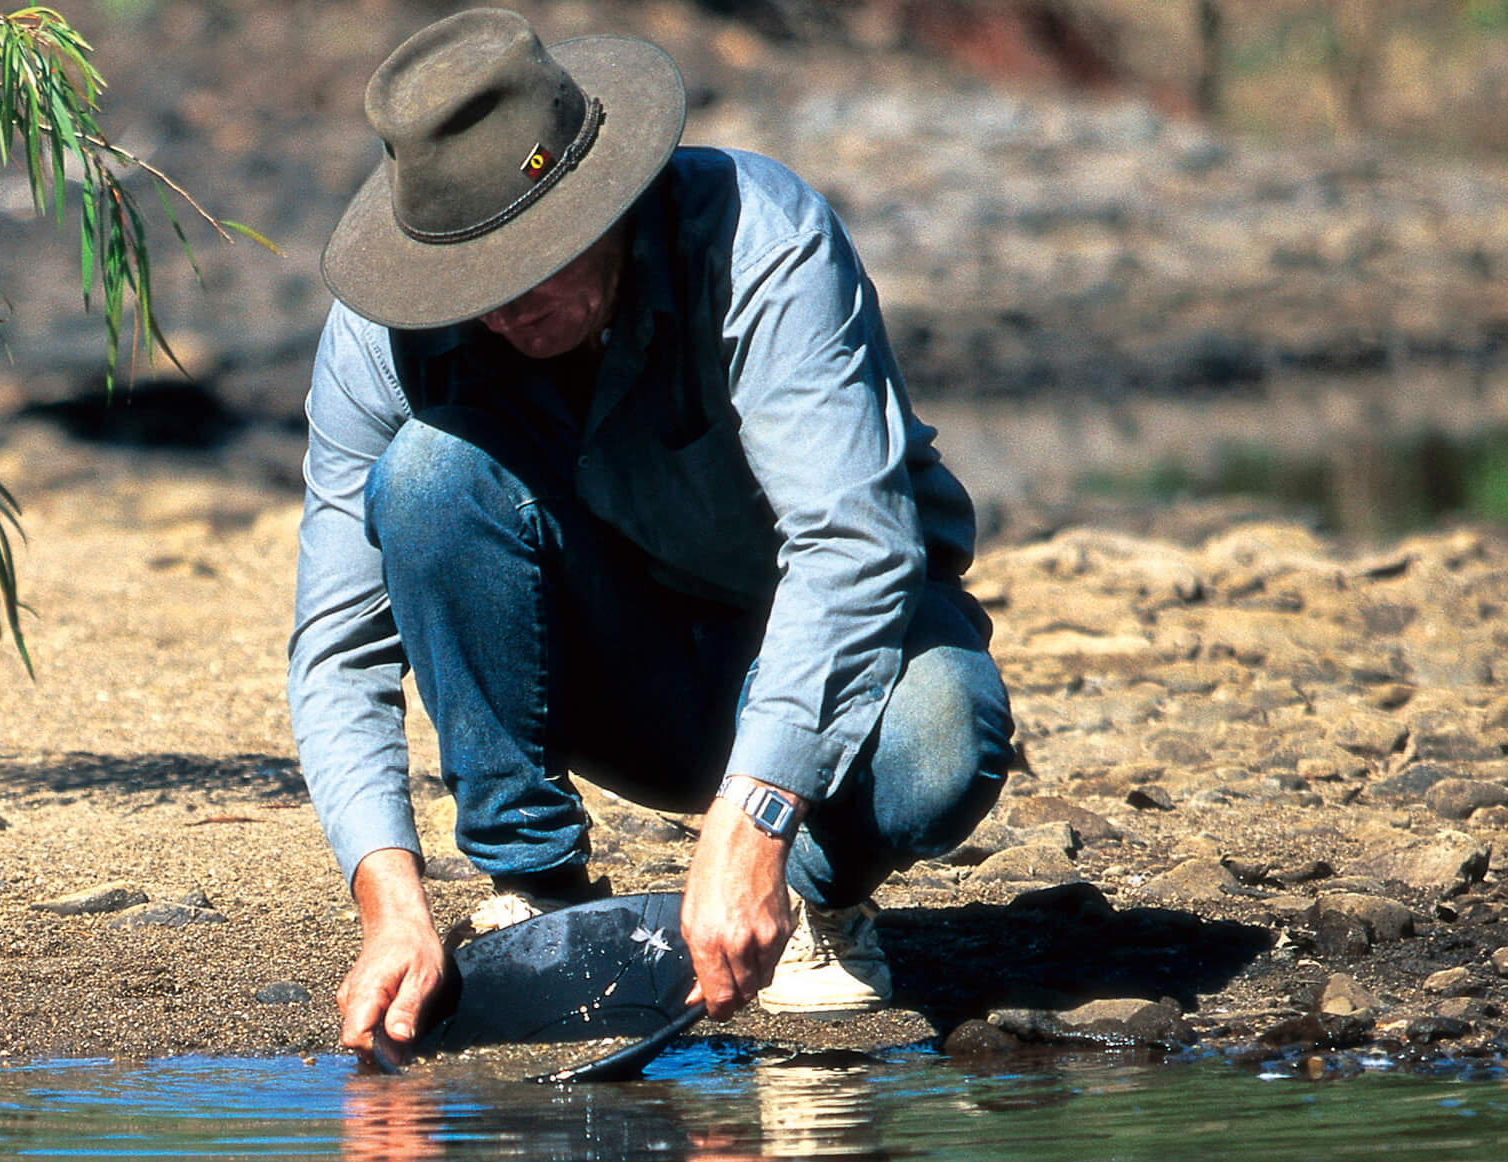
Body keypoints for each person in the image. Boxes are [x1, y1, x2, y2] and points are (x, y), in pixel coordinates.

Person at [291, 9, 1016, 1061]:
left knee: (947, 735)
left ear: (609, 207)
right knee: (428, 471)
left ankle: (815, 892)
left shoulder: (763, 236)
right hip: (609, 673)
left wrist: (758, 816)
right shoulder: (380, 333)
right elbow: (334, 643)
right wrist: (387, 897)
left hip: (825, 672)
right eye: (470, 282)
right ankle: (534, 891)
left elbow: (854, 552)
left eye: (529, 267)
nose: (498, 311)